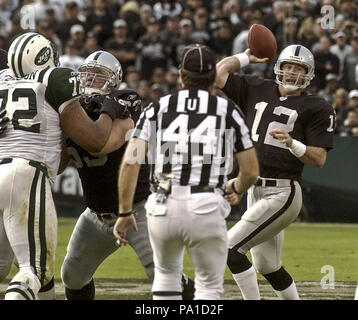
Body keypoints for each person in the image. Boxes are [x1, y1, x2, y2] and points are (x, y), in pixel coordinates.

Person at [113, 44, 259, 300]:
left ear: (181, 74)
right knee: (208, 287)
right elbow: (250, 171)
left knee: (166, 275)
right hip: (206, 203)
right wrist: (236, 188)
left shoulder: (156, 108)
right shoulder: (226, 110)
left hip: (162, 204)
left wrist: (125, 212)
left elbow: (130, 163)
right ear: (213, 75)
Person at [60, 50, 195, 300]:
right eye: (86, 75)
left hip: (137, 209)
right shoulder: (70, 112)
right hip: (95, 214)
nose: (89, 81)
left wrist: (106, 111)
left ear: (112, 81)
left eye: (97, 76)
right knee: (72, 276)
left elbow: (100, 145)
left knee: (162, 277)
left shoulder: (122, 101)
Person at [0, 33, 125, 300]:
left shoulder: (2, 81)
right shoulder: (55, 78)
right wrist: (111, 109)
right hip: (26, 171)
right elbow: (93, 141)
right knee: (34, 271)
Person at [215, 44, 336, 300]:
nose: (292, 73)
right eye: (288, 66)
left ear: (309, 74)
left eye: (299, 68)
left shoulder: (317, 106)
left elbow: (319, 159)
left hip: (283, 192)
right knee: (267, 265)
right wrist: (245, 56)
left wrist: (293, 143)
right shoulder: (257, 87)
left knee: (228, 248)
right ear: (278, 68)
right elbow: (219, 73)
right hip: (254, 189)